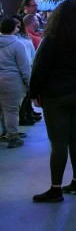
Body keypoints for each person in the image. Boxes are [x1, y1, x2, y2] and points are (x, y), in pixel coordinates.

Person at [28, 0, 76, 202]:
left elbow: (40, 67)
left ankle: (55, 189)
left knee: (58, 143)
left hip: (56, 96)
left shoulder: (52, 38)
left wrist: (34, 93)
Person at [0, 17, 32, 148]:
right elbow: (23, 66)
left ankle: (4, 132)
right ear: (13, 29)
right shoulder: (17, 44)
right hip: (11, 81)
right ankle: (13, 137)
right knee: (11, 110)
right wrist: (29, 82)